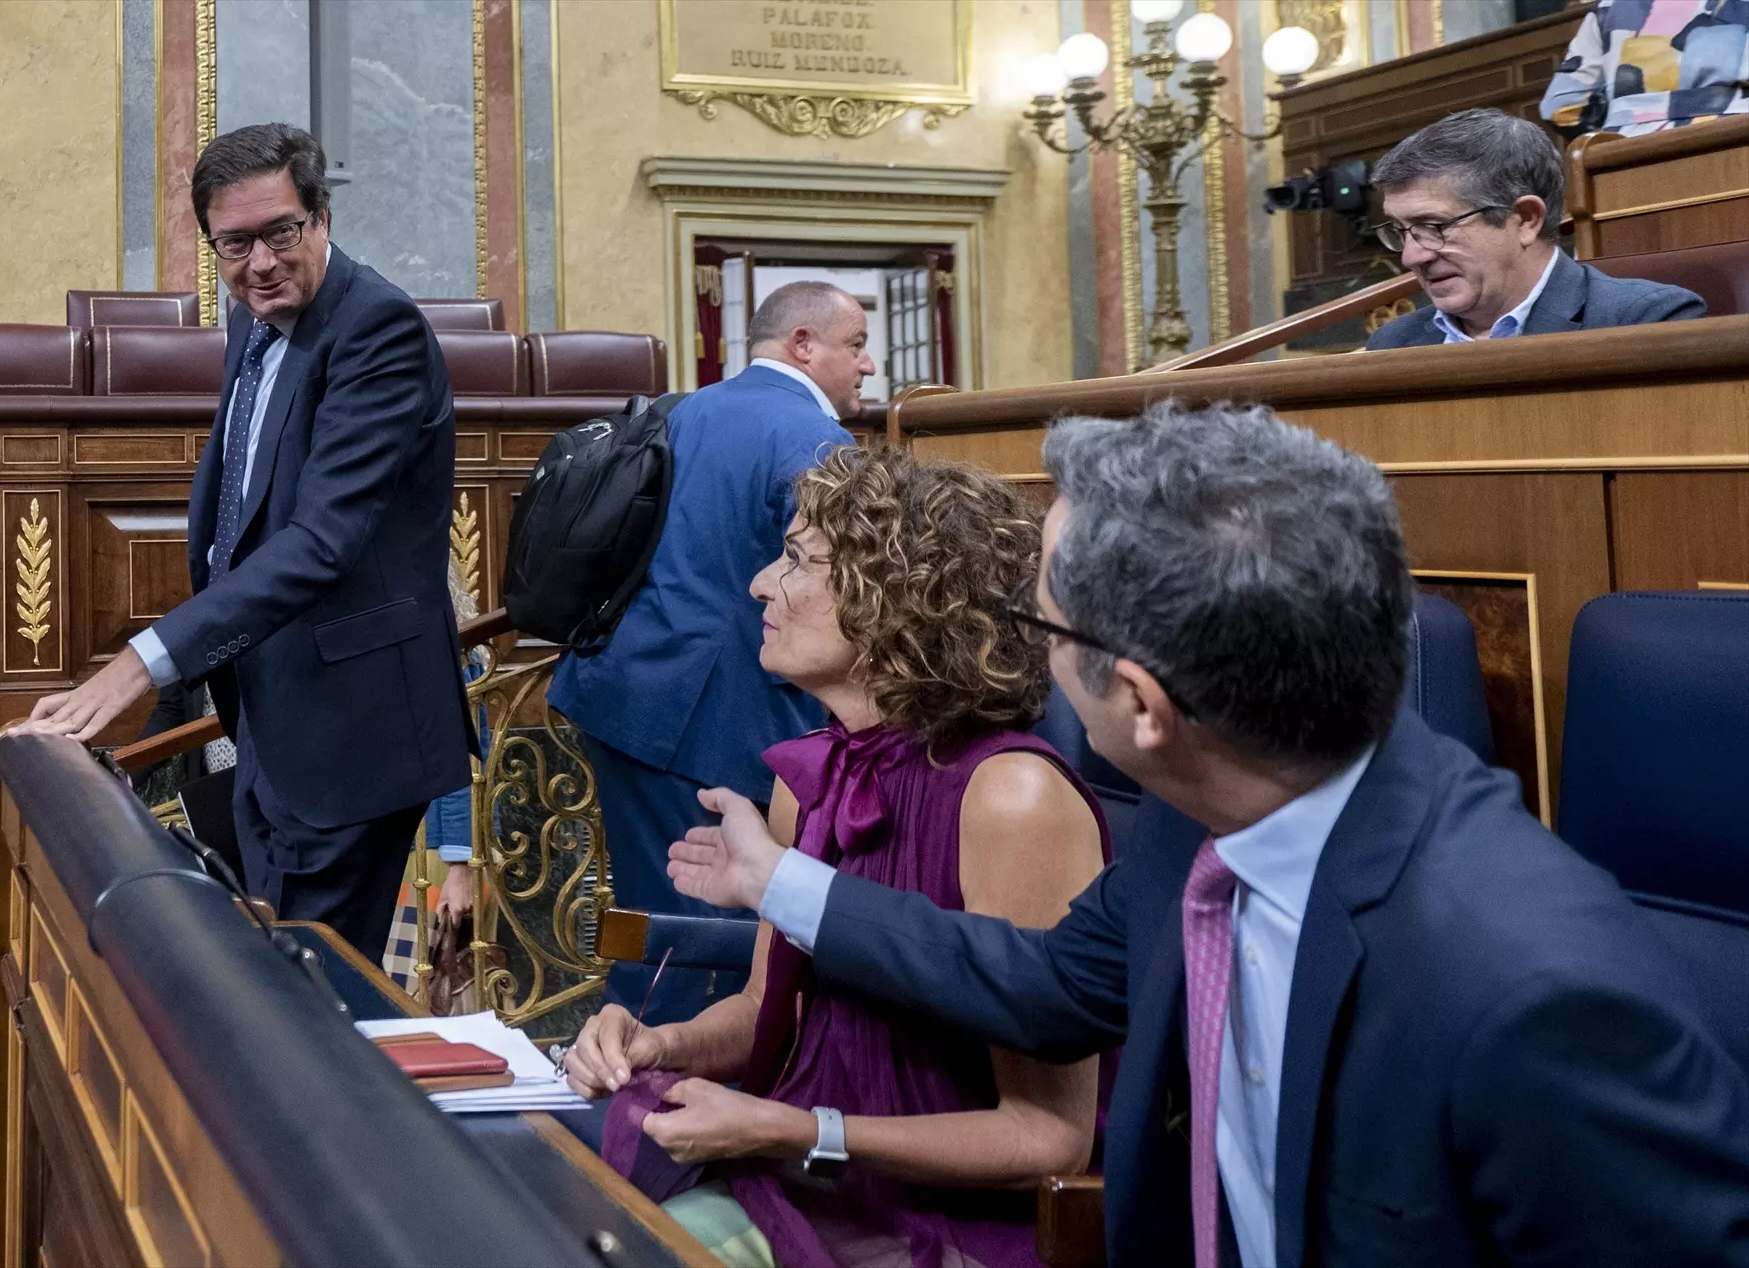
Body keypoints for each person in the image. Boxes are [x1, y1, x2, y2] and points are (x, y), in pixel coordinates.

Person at [667, 403, 1749, 1268]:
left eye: (1039, 623)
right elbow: (1041, 984)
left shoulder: (1532, 993)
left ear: (1141, 703)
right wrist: (785, 884)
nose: (1017, 653)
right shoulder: (1201, 826)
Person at [564, 446, 1110, 1268]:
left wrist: (798, 1130)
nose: (759, 586)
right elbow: (764, 1015)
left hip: (943, 1227)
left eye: (795, 559)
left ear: (898, 598)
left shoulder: (1012, 800)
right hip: (799, 1176)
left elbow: (1047, 1138)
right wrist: (657, 1044)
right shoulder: (811, 776)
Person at [14, 123, 472, 961]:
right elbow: (242, 508)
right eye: (234, 243)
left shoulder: (379, 332)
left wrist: (137, 665)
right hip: (270, 707)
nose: (259, 262)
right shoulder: (251, 319)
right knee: (283, 986)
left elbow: (320, 542)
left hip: (349, 730)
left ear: (322, 217)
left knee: (306, 1005)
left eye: (280, 233)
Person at [536, 280, 863, 1025]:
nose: (866, 366)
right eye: (855, 345)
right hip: (713, 720)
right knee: (701, 941)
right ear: (803, 344)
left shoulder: (682, 409)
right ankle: (658, 1112)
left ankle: (636, 1088)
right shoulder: (816, 441)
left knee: (656, 919)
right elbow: (831, 592)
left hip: (620, 693)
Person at [1365, 108, 1704, 349]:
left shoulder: (1645, 322)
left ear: (1526, 219)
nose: (1411, 256)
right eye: (1401, 230)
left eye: (1434, 226)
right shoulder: (1394, 342)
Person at [1541, 0, 1749, 137]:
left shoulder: (1609, 7)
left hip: (1627, 157)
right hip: (1732, 141)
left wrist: (1622, 122)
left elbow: (1559, 108)